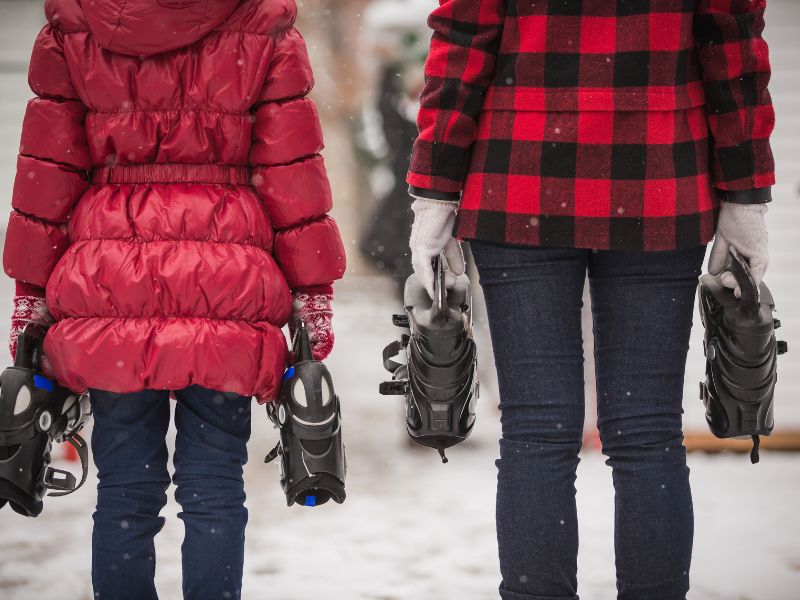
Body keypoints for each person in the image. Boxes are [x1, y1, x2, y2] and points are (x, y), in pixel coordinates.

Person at [407, 1, 774, 599]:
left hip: (519, 175)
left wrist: (436, 189)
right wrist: (745, 191)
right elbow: (732, 43)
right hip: (660, 174)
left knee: (536, 432)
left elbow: (463, 38)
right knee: (648, 432)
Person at [3, 0, 345, 598]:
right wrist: (311, 291)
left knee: (125, 492)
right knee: (214, 486)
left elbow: (49, 168)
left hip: (110, 274)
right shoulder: (262, 21)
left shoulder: (76, 24)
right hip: (228, 274)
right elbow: (290, 167)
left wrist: (32, 290)